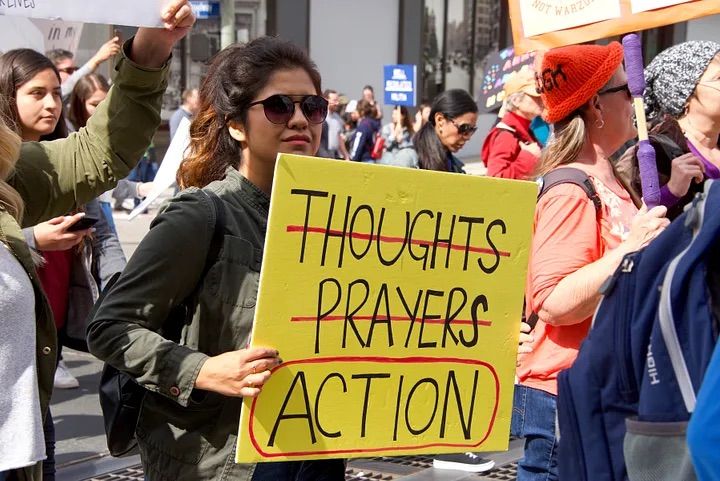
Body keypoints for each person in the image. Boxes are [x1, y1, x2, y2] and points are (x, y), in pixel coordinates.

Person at [86, 36, 346, 481]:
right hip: (222, 463)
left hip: (316, 454)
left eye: (314, 107)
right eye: (280, 106)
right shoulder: (202, 214)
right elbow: (109, 329)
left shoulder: (338, 220)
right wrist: (202, 370)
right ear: (236, 125)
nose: (301, 120)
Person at [0, 3, 195, 480]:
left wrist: (150, 50)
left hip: (19, 449)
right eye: (35, 93)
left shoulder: (13, 174)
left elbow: (99, 152)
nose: (49, 104)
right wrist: (29, 240)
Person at [515, 42, 669, 481]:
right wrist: (629, 249)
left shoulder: (611, 178)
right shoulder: (570, 189)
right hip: (563, 396)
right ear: (597, 106)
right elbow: (554, 301)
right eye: (628, 91)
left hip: (599, 387)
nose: (637, 103)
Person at [615, 41, 720, 220]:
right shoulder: (655, 153)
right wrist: (671, 190)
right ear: (684, 96)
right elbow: (633, 222)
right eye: (718, 78)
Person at [67, 73, 154, 230]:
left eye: (105, 103)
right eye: (94, 104)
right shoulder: (69, 137)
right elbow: (92, 178)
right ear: (79, 104)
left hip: (103, 208)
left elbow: (105, 180)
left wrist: (138, 189)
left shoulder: (108, 133)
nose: (101, 110)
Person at [482, 66, 544, 180]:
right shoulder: (506, 134)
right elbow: (495, 179)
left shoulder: (522, 129)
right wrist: (529, 157)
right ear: (516, 101)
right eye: (535, 95)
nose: (541, 99)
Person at [414, 89, 478, 173]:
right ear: (440, 120)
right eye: (464, 128)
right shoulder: (409, 161)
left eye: (472, 130)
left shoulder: (455, 167)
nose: (468, 137)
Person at [46, 35, 122, 101]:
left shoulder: (80, 93)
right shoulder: (51, 96)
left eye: (76, 69)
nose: (75, 73)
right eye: (69, 70)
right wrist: (97, 59)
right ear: (53, 72)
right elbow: (67, 86)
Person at [323, 89, 350, 159]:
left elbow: (339, 138)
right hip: (321, 155)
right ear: (326, 100)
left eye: (338, 100)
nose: (337, 103)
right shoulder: (320, 117)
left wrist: (346, 155)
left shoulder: (338, 118)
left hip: (334, 155)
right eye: (335, 100)